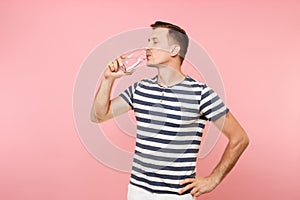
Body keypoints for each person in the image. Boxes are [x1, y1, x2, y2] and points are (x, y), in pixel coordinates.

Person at [90, 21, 249, 200]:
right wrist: (107, 79)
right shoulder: (139, 89)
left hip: (177, 195)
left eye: (155, 42)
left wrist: (213, 179)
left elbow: (240, 138)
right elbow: (99, 115)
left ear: (174, 50)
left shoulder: (201, 94)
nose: (147, 47)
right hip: (137, 191)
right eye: (149, 41)